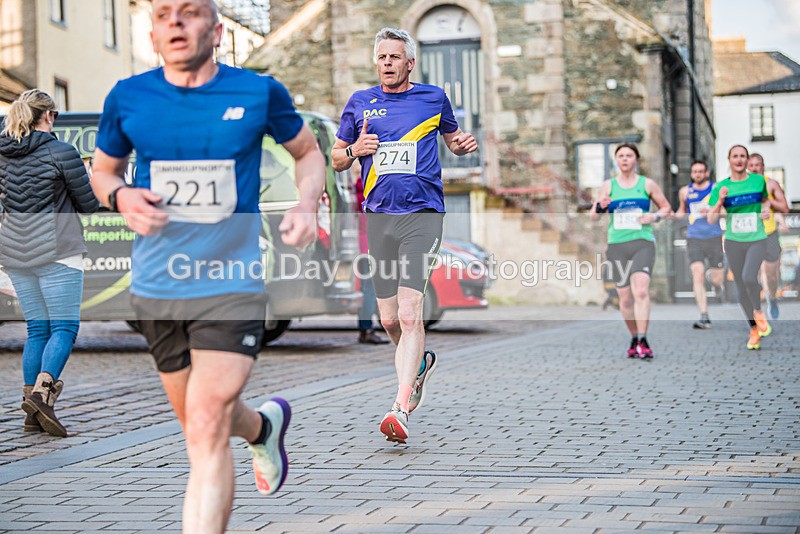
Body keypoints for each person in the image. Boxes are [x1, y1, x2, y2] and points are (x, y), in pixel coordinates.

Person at [90, 1, 325, 532]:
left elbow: (308, 153)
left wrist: (307, 203)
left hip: (230, 281)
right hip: (157, 284)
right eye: (164, 14)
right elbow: (102, 172)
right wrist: (122, 196)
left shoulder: (258, 92)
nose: (175, 21)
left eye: (189, 12)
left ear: (216, 30)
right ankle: (263, 427)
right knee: (206, 423)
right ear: (152, 34)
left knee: (205, 422)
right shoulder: (129, 98)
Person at [332, 27, 477, 443]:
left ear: (409, 62)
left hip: (423, 215)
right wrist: (355, 151)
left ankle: (400, 405)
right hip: (379, 217)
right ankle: (420, 363)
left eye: (395, 57)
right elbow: (337, 157)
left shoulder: (433, 98)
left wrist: (463, 145)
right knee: (390, 318)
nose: (388, 63)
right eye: (382, 57)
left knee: (411, 312)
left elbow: (453, 140)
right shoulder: (360, 104)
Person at [0, 89, 100, 437]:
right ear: (50, 116)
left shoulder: (2, 154)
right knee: (63, 328)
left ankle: (31, 411)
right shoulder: (62, 152)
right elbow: (88, 205)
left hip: (15, 253)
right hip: (59, 250)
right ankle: (43, 397)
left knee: (37, 330)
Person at [590, 143, 671, 359]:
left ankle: (644, 339)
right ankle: (634, 337)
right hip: (617, 246)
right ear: (616, 160)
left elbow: (666, 208)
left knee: (641, 291)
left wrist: (654, 217)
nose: (625, 159)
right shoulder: (608, 186)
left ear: (636, 159)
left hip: (642, 242)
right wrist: (601, 206)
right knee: (624, 299)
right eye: (621, 156)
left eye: (629, 155)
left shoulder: (647, 184)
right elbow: (593, 215)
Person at [707, 145, 771, 350]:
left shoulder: (758, 181)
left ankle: (759, 311)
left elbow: (766, 201)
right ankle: (753, 329)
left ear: (747, 159)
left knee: (749, 277)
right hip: (734, 241)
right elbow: (711, 219)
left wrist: (766, 211)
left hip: (757, 237)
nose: (739, 160)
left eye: (743, 156)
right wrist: (721, 201)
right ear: (729, 159)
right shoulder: (721, 187)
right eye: (735, 156)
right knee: (741, 287)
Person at [675, 160, 724, 329]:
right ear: (691, 174)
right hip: (694, 238)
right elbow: (682, 210)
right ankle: (704, 315)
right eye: (694, 171)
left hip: (714, 236)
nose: (697, 174)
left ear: (706, 173)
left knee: (718, 277)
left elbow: (725, 210)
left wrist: (711, 211)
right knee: (697, 273)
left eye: (700, 171)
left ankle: (717, 285)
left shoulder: (715, 189)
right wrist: (674, 215)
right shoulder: (685, 191)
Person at [746, 153, 789, 319]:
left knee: (771, 274)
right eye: (752, 165)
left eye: (758, 165)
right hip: (749, 234)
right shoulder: (743, 186)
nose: (755, 168)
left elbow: (784, 208)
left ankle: (772, 297)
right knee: (752, 274)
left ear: (763, 166)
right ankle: (755, 310)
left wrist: (769, 202)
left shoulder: (771, 184)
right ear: (747, 167)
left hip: (769, 233)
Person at [355, 175, 389, 344]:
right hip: (370, 247)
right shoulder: (369, 193)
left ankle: (366, 327)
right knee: (370, 289)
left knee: (367, 289)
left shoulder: (357, 193)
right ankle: (367, 329)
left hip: (362, 247)